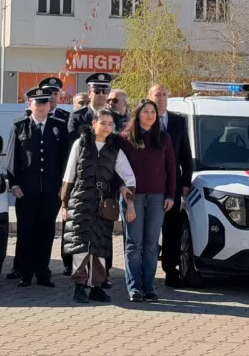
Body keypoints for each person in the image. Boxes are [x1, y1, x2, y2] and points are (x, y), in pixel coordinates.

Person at [61, 108, 136, 303]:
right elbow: (69, 174)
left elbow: (128, 176)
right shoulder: (82, 144)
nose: (106, 127)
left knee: (100, 245)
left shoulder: (114, 149)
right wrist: (64, 202)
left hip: (104, 203)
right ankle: (79, 286)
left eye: (110, 124)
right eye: (102, 123)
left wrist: (129, 197)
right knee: (81, 244)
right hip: (80, 201)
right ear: (94, 124)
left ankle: (96, 286)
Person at [6, 87, 69, 288]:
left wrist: (63, 187)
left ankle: (43, 274)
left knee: (46, 232)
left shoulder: (59, 126)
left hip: (51, 191)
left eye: (45, 103)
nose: (42, 107)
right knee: (26, 232)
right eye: (38, 103)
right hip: (26, 190)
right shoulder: (20, 126)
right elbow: (12, 158)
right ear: (29, 105)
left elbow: (65, 159)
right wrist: (14, 184)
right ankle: (25, 274)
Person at [120, 99, 176, 302]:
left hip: (157, 197)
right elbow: (118, 169)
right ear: (138, 114)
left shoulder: (164, 138)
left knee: (151, 245)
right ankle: (134, 288)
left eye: (153, 111)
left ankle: (149, 287)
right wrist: (125, 193)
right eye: (146, 111)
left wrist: (170, 195)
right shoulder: (125, 138)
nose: (150, 115)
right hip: (133, 198)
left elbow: (171, 169)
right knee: (134, 244)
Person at [63, 75, 112, 276]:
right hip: (82, 184)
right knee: (78, 228)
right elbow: (72, 152)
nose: (101, 94)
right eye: (97, 90)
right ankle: (74, 270)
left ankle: (103, 273)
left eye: (104, 91)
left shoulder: (113, 117)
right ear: (89, 92)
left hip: (105, 185)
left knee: (103, 229)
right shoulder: (78, 117)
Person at [149, 83, 192, 287]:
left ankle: (170, 269)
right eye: (157, 95)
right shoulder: (143, 120)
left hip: (171, 185)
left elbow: (185, 153)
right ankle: (144, 271)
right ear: (150, 97)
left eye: (165, 95)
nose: (161, 98)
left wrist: (186, 182)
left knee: (172, 229)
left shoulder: (178, 121)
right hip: (148, 185)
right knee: (147, 229)